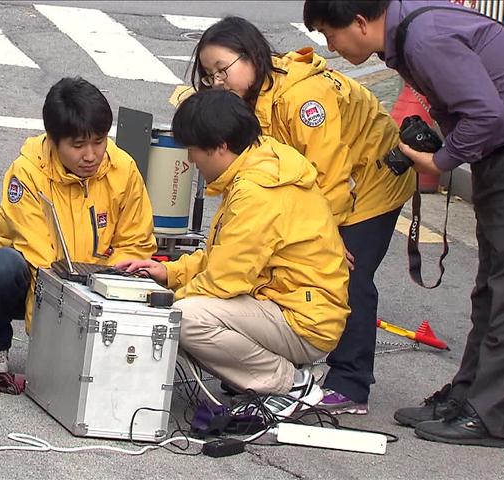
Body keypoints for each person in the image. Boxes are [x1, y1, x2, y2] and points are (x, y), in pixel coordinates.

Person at [304, 0, 504, 447]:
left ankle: (489, 418)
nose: (330, 48)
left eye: (329, 35)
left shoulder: (424, 37)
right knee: (492, 286)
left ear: (358, 22)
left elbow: (484, 111)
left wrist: (441, 159)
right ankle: (467, 397)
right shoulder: (409, 33)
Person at [187, 16, 416, 415]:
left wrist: (326, 239)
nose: (217, 81)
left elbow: (330, 174)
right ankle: (272, 363)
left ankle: (350, 383)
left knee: (348, 273)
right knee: (279, 261)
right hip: (326, 186)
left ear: (253, 55)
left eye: (222, 70)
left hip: (370, 181)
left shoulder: (303, 97)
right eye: (209, 76)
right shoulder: (253, 98)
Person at [118, 89, 350, 417]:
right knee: (186, 309)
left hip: (302, 318)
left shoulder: (256, 191)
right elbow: (225, 255)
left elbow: (224, 281)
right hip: (294, 305)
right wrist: (169, 273)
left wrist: (159, 303)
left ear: (221, 146)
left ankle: (290, 385)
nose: (191, 161)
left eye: (194, 151)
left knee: (184, 317)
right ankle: (274, 381)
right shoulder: (262, 163)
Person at [0, 77, 157, 374]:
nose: (91, 155)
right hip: (32, 282)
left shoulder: (123, 169)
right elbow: (39, 261)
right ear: (53, 140)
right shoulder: (28, 172)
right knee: (0, 267)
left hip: (96, 283)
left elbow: (136, 243)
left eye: (99, 141)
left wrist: (105, 288)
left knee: (142, 272)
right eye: (78, 145)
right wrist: (51, 340)